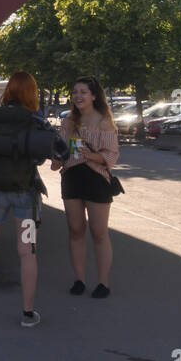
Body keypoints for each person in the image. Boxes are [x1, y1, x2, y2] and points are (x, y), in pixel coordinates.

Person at [0, 71, 67, 327]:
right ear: (31, 93)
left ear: (8, 91)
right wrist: (49, 161)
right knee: (27, 252)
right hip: (25, 194)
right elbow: (60, 150)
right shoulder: (36, 121)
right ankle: (28, 314)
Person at [51, 76, 119, 298]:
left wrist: (93, 156)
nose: (78, 96)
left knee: (99, 233)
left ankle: (103, 283)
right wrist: (55, 158)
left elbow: (112, 155)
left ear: (93, 95)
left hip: (96, 179)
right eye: (75, 92)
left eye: (83, 92)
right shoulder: (68, 121)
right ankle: (79, 279)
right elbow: (60, 152)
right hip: (71, 177)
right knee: (76, 230)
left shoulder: (103, 121)